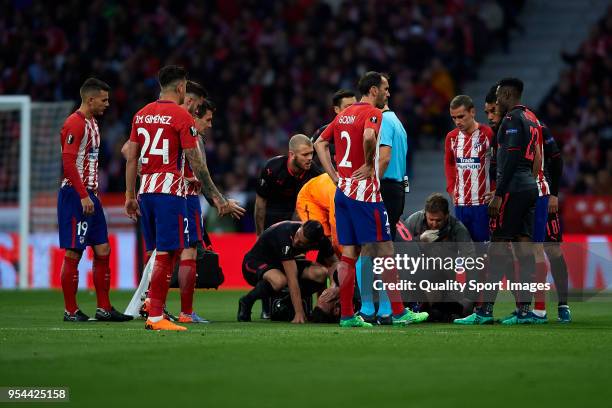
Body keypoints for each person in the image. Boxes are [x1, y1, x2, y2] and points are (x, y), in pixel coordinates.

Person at [124, 65, 242, 331]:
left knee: (159, 251)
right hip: (170, 193)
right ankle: (156, 316)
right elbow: (196, 164)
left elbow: (131, 157)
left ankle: (153, 308)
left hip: (146, 193)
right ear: (180, 88)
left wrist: (129, 194)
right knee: (169, 252)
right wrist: (218, 199)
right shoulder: (181, 116)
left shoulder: (140, 114)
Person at [314, 71, 428, 327]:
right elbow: (368, 137)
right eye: (385, 89)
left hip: (342, 191)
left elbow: (320, 143)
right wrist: (368, 164)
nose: (388, 93)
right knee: (386, 248)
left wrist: (333, 175)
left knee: (349, 254)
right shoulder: (372, 113)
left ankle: (346, 315)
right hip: (365, 194)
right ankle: (398, 312)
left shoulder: (343, 114)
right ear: (373, 90)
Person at [455, 77, 540, 325]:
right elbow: (535, 156)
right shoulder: (532, 118)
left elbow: (512, 158)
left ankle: (484, 311)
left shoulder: (512, 119)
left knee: (497, 250)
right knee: (524, 251)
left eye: (499, 96)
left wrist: (500, 193)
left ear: (506, 95)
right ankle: (525, 312)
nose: (496, 101)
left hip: (513, 190)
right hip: (529, 189)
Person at [58, 78, 132, 323]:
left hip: (91, 195)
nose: (107, 104)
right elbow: (68, 163)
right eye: (104, 99)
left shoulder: (93, 123)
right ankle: (70, 311)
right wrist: (82, 195)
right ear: (90, 99)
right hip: (75, 195)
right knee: (74, 252)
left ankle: (104, 307)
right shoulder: (74, 123)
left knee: (103, 249)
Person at [176, 99, 233, 323]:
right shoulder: (185, 131)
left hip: (168, 195)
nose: (210, 125)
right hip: (182, 197)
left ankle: (155, 308)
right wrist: (219, 200)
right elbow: (201, 173)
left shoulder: (188, 134)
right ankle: (183, 312)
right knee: (185, 252)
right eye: (207, 120)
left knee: (167, 253)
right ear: (194, 113)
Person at [255, 134, 322, 318]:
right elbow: (260, 204)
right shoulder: (272, 169)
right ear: (292, 155)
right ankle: (266, 308)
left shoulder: (314, 171)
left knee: (297, 266)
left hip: (298, 221)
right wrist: (259, 236)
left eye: (311, 154)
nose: (310, 158)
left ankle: (304, 308)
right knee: (274, 268)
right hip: (273, 219)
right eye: (305, 154)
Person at [356, 101, 409, 324]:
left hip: (384, 186)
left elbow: (384, 157)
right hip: (397, 188)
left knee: (369, 247)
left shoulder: (383, 120)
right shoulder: (397, 122)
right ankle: (386, 310)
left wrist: (372, 184)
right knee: (385, 247)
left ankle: (370, 309)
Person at [237, 220, 337, 324]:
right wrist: (299, 313)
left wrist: (333, 287)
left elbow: (335, 264)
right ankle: (247, 301)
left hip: (279, 264)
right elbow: (292, 279)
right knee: (280, 281)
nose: (295, 241)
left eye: (301, 243)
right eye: (298, 235)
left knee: (321, 273)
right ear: (301, 227)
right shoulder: (284, 235)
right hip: (254, 263)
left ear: (314, 244)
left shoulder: (322, 241)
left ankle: (286, 302)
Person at [396, 193, 476, 322]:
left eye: (438, 220)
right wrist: (419, 241)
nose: (434, 224)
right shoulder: (414, 221)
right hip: (416, 277)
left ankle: (432, 308)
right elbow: (399, 251)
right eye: (430, 219)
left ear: (446, 215)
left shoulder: (458, 229)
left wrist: (469, 300)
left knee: (450, 312)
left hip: (446, 280)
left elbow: (471, 263)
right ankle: (413, 305)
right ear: (425, 214)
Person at [444, 95, 494, 243]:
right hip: (461, 204)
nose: (457, 121)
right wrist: (451, 189)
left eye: (461, 116)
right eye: (454, 118)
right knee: (463, 249)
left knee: (483, 250)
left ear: (472, 112)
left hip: (482, 204)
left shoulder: (488, 134)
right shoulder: (451, 137)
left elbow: (499, 165)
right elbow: (449, 164)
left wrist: (496, 189)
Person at [311, 89, 357, 168]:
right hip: (330, 178)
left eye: (355, 106)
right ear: (337, 109)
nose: (354, 110)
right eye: (348, 107)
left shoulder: (366, 131)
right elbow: (306, 157)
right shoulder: (323, 132)